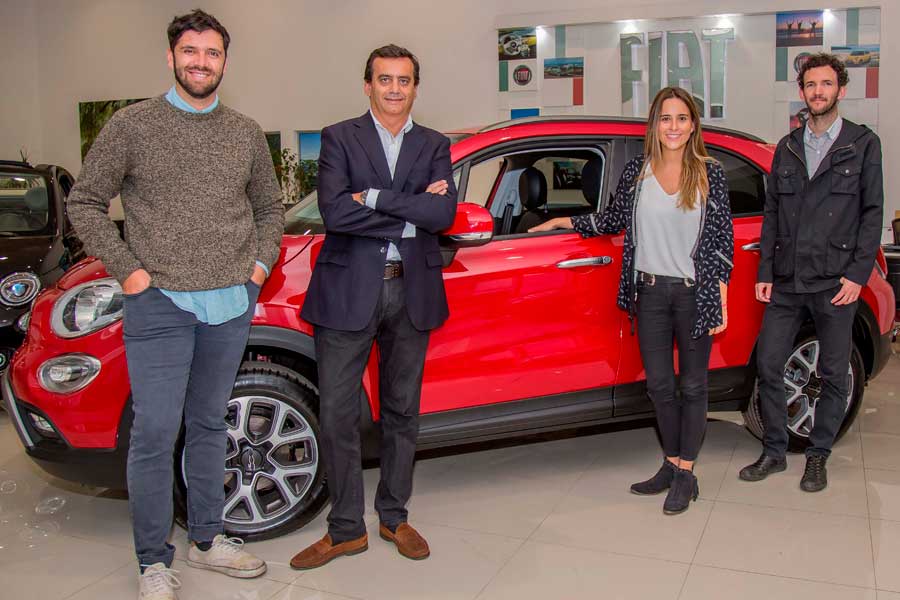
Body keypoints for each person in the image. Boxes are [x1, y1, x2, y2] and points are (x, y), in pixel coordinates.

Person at [67, 9, 284, 599]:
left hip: (229, 304)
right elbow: (84, 202)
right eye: (190, 51)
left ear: (224, 62)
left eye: (212, 54)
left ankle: (208, 540)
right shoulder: (133, 126)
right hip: (159, 303)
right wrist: (130, 271)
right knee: (156, 433)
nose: (200, 62)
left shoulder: (244, 132)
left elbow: (269, 209)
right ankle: (152, 561)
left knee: (210, 424)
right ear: (171, 56)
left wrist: (259, 270)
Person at [290, 44, 457, 569]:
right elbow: (337, 214)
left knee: (402, 411)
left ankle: (393, 516)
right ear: (367, 85)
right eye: (384, 80)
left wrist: (378, 199)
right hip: (347, 294)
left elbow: (444, 211)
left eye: (403, 81)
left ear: (414, 88)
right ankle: (344, 528)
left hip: (412, 292)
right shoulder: (340, 137)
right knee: (339, 412)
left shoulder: (434, 144)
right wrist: (413, 213)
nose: (393, 89)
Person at [530, 86, 733, 514]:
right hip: (651, 292)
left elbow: (721, 241)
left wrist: (722, 301)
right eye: (665, 118)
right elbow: (613, 218)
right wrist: (566, 220)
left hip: (695, 293)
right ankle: (671, 462)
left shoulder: (709, 172)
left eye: (681, 118)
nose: (673, 127)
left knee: (693, 386)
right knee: (659, 386)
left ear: (692, 124)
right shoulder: (637, 172)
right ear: (654, 125)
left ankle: (686, 473)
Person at [739, 53, 883, 492]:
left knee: (834, 373)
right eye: (810, 85)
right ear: (801, 92)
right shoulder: (787, 146)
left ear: (840, 89)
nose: (817, 92)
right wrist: (765, 269)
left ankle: (817, 454)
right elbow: (773, 214)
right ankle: (776, 450)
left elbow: (872, 213)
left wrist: (858, 275)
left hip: (836, 282)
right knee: (768, 365)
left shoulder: (862, 144)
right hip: (786, 280)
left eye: (826, 84)